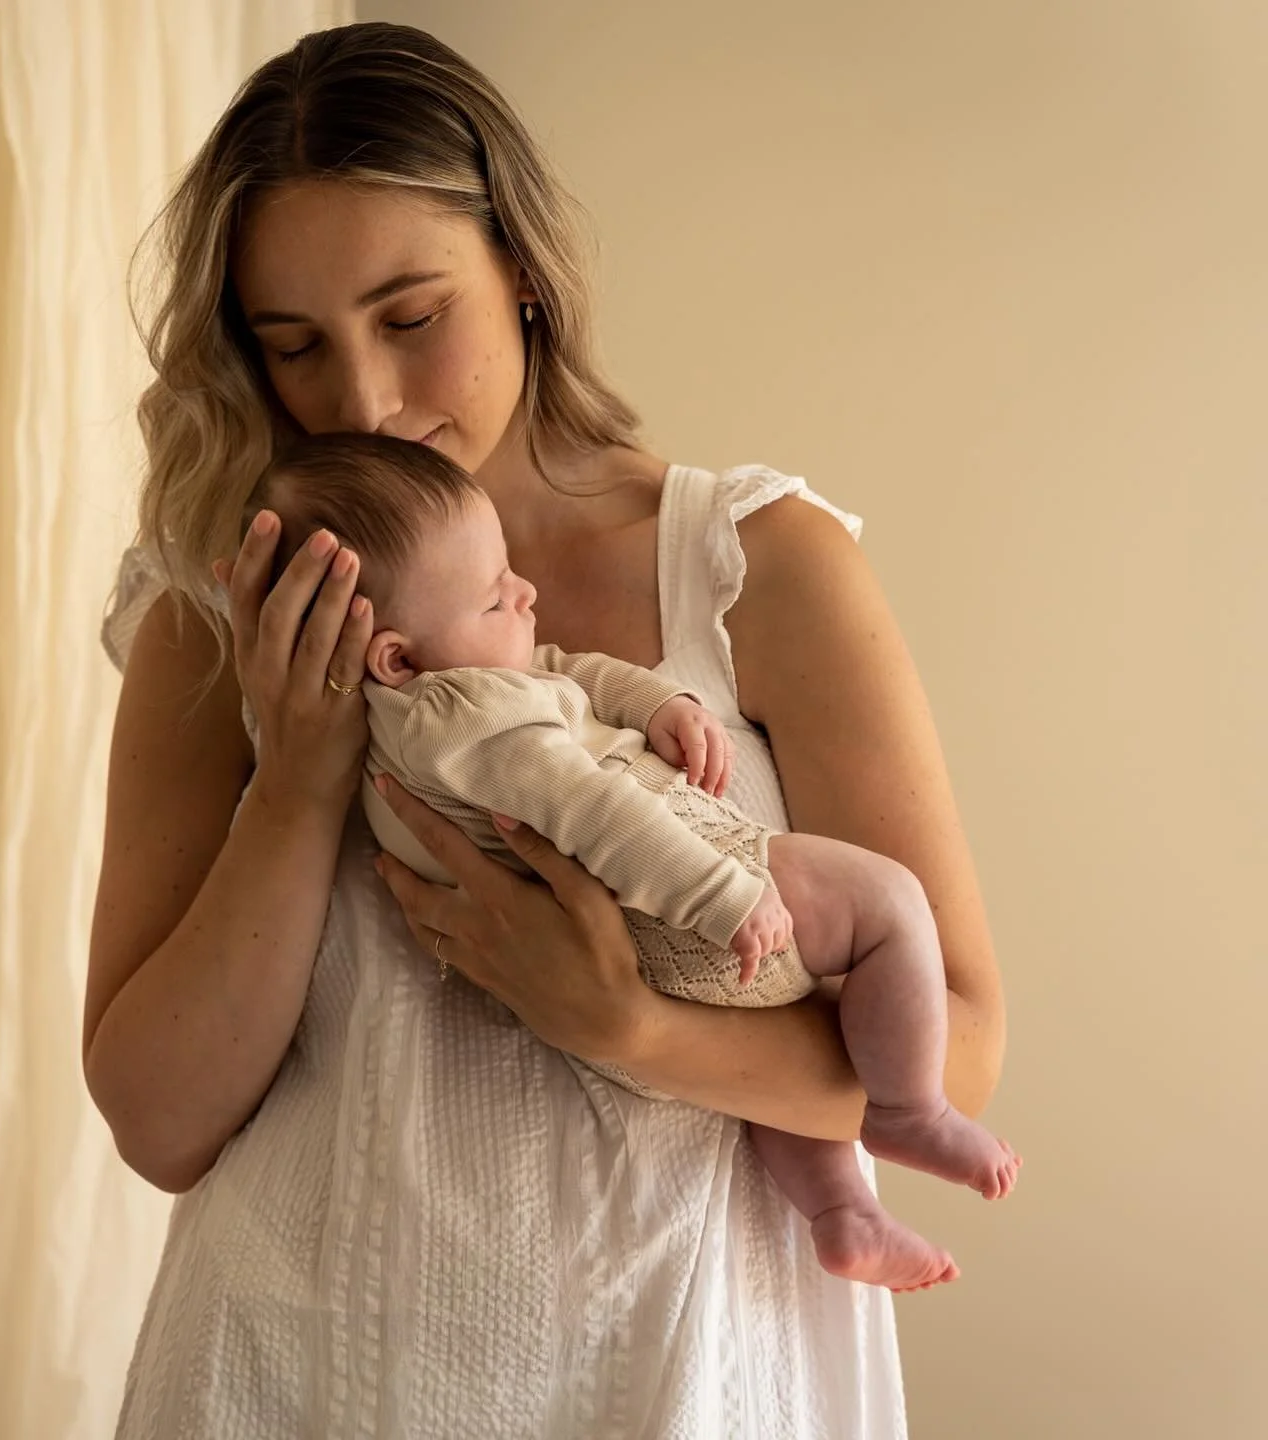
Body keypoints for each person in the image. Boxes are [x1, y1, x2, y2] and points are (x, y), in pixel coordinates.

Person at [85, 20, 1007, 1437]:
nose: (367, 401)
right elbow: (158, 1124)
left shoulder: (753, 563)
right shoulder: (223, 610)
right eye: (293, 348)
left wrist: (624, 1025)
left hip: (685, 1370)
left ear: (519, 267)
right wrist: (303, 777)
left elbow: (957, 1039)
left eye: (410, 319)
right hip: (297, 1370)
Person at [242, 431, 1018, 1294]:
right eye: (497, 598)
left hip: (639, 951)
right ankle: (910, 1110)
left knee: (766, 1079)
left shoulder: (446, 702)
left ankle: (842, 1212)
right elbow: (593, 810)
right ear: (397, 657)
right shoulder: (469, 725)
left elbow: (569, 673)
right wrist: (727, 896)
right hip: (678, 908)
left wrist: (659, 705)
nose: (525, 593)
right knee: (887, 904)